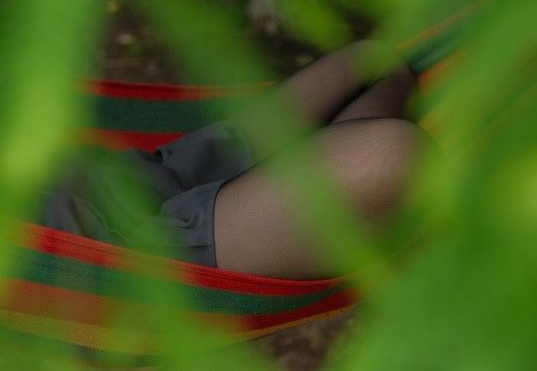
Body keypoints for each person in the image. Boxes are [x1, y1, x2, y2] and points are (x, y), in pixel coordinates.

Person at [36, 40, 432, 279]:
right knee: (392, 156)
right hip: (134, 256)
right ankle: (322, 188)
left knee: (370, 60)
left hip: (147, 172)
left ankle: (320, 184)